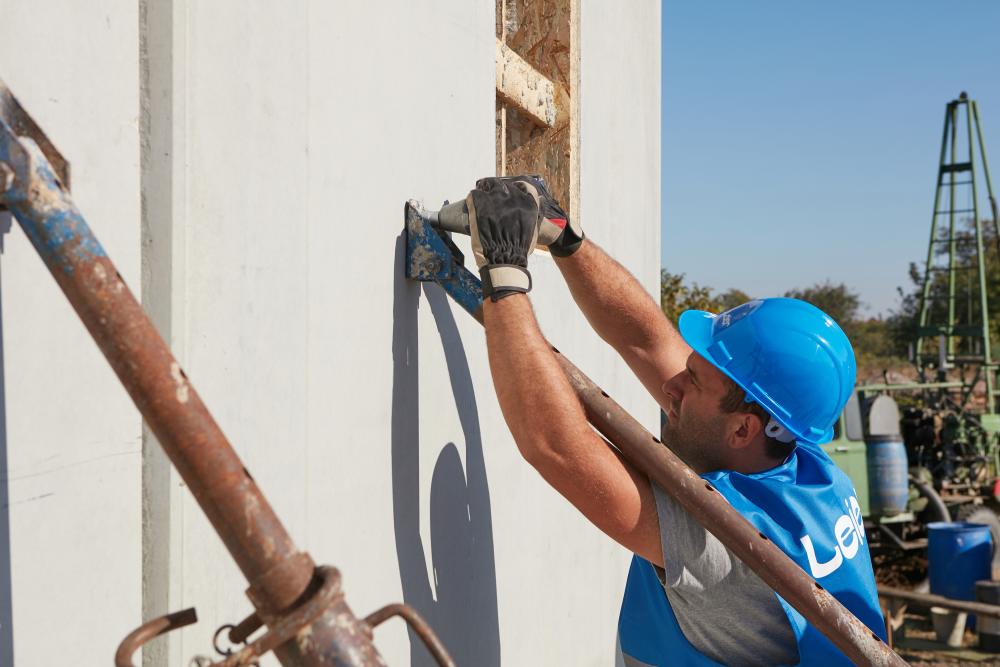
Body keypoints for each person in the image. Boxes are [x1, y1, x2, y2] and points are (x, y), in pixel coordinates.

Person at [465, 176, 886, 667]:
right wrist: (562, 234)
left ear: (743, 430)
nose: (671, 384)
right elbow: (647, 340)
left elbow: (554, 445)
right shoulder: (803, 462)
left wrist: (503, 275)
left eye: (694, 383)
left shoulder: (724, 541)